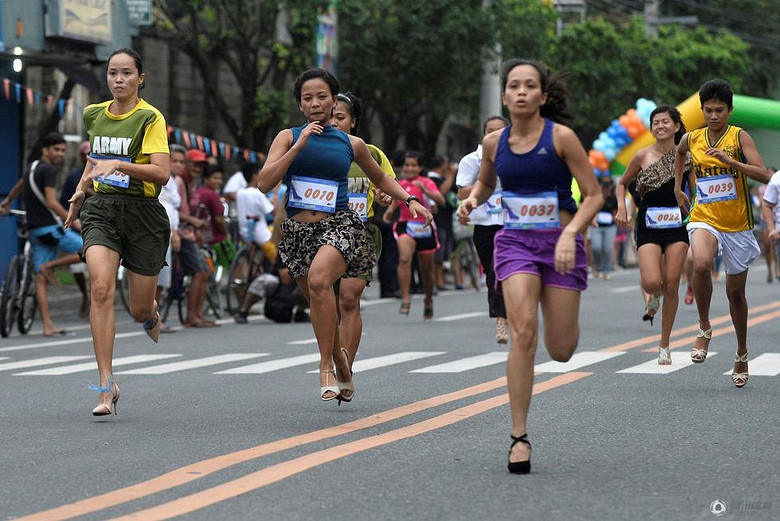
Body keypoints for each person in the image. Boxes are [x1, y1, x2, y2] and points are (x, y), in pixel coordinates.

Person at [457, 59, 602, 474]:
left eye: (529, 86)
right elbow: (486, 184)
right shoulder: (493, 143)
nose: (521, 92)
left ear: (541, 95)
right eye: (513, 86)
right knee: (522, 333)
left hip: (560, 244)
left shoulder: (563, 139)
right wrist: (471, 201)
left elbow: (592, 195)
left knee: (560, 350)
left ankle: (563, 319)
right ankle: (518, 436)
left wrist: (569, 233)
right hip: (515, 242)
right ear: (504, 96)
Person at [258, 68, 432, 404]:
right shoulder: (288, 137)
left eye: (322, 96)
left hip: (339, 225)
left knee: (321, 281)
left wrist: (410, 200)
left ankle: (325, 365)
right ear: (300, 104)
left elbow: (381, 178)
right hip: (297, 232)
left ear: (333, 99)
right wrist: (300, 145)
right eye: (307, 98)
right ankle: (341, 362)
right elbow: (265, 182)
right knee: (319, 305)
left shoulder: (353, 144)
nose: (315, 103)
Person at [65, 48, 171, 416]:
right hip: (102, 212)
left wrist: (120, 165)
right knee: (100, 288)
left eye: (126, 73)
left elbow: (162, 174)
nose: (118, 80)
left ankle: (150, 313)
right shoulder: (94, 114)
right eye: (113, 73)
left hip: (143, 214)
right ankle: (105, 386)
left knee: (139, 308)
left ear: (140, 77)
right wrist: (81, 190)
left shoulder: (150, 118)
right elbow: (95, 163)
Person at [674, 79, 771, 388]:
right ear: (701, 110)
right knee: (700, 262)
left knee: (735, 294)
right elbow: (678, 154)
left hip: (738, 224)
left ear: (730, 110)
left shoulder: (739, 137)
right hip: (704, 216)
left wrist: (732, 163)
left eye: (719, 110)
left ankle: (741, 351)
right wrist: (678, 187)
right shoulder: (692, 138)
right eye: (708, 110)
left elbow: (763, 173)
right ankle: (704, 327)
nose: (713, 116)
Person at [616, 105, 691, 364]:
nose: (660, 126)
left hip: (676, 224)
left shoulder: (685, 155)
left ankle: (664, 344)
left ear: (676, 126)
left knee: (671, 283)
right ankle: (652, 297)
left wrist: (696, 212)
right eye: (655, 123)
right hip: (648, 224)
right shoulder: (640, 156)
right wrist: (622, 208)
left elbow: (695, 191)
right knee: (651, 282)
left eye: (665, 122)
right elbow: (621, 184)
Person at [330, 91, 395, 370]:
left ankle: (345, 367)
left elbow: (386, 185)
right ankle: (330, 360)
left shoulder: (371, 153)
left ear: (353, 122)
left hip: (361, 232)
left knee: (348, 298)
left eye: (340, 117)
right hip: (323, 233)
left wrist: (385, 196)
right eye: (329, 116)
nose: (333, 122)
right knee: (327, 303)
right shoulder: (311, 151)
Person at [0, 133, 85, 336]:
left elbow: (21, 184)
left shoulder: (33, 166)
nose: (60, 154)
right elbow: (52, 202)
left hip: (35, 231)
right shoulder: (48, 170)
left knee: (40, 279)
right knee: (89, 250)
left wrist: (8, 201)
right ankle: (50, 266)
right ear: (45, 150)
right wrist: (73, 220)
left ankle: (48, 325)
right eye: (56, 149)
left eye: (63, 150)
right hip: (49, 229)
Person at [456, 115, 510, 343]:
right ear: (483, 134)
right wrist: (483, 182)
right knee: (493, 270)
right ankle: (502, 315)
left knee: (509, 270)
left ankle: (505, 317)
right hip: (484, 224)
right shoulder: (471, 161)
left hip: (512, 222)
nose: (494, 135)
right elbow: (461, 193)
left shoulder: (518, 157)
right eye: (490, 131)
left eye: (500, 131)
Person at [384, 151, 445, 321]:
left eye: (413, 165)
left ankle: (428, 299)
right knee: (404, 259)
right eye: (406, 165)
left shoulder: (427, 182)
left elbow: (441, 201)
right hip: (406, 226)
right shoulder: (400, 183)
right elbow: (396, 200)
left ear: (419, 167)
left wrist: (425, 190)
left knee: (426, 270)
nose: (409, 168)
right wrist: (390, 211)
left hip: (424, 227)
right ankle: (405, 298)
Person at [169, 144, 214, 328]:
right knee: (200, 272)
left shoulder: (190, 183)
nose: (197, 169)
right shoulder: (178, 182)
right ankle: (192, 316)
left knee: (204, 272)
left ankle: (198, 313)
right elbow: (174, 210)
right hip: (179, 232)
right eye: (193, 165)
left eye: (200, 166)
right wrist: (193, 223)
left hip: (187, 231)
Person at [233, 163, 277, 323]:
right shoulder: (257, 194)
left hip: (246, 232)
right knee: (279, 257)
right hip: (261, 234)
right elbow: (272, 211)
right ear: (254, 175)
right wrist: (275, 196)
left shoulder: (240, 193)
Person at [59, 140, 92, 318]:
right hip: (78, 223)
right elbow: (64, 200)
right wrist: (72, 218)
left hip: (100, 222)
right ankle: (86, 295)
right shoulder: (73, 177)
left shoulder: (105, 174)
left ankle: (96, 297)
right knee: (78, 265)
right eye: (84, 154)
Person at [190, 164, 235, 270]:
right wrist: (226, 234)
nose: (218, 181)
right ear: (206, 179)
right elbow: (219, 220)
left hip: (197, 235)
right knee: (233, 257)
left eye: (220, 179)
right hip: (213, 239)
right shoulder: (212, 195)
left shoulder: (197, 192)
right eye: (215, 178)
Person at [427, 155, 457, 290]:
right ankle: (436, 281)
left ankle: (441, 280)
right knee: (438, 254)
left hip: (446, 221)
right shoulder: (432, 179)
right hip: (438, 221)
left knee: (444, 253)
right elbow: (441, 192)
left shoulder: (442, 178)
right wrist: (451, 175)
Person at [590, 176, 618, 279]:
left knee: (608, 248)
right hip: (596, 226)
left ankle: (606, 270)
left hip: (610, 226)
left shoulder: (614, 198)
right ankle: (597, 267)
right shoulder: (595, 196)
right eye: (604, 186)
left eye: (608, 186)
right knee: (596, 247)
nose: (606, 188)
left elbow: (617, 210)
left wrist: (616, 218)